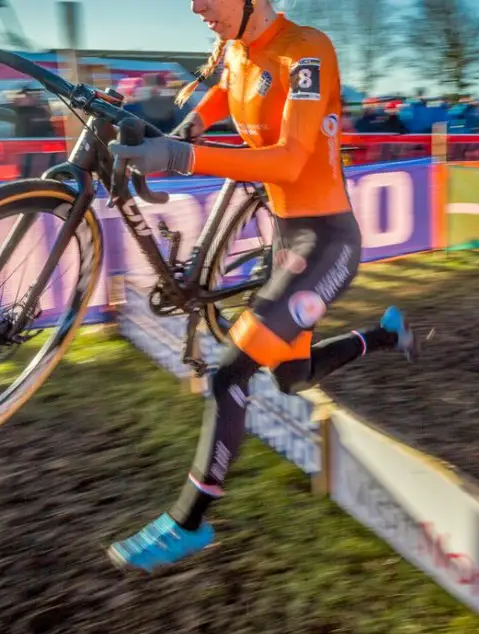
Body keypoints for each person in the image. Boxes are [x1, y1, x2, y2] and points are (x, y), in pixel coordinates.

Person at [105, 0, 420, 573]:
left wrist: (178, 154)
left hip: (327, 243)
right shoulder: (235, 49)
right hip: (286, 237)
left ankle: (189, 521)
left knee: (229, 373)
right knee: (292, 375)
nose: (197, 7)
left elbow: (292, 161)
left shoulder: (306, 50)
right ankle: (386, 335)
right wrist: (181, 130)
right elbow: (224, 92)